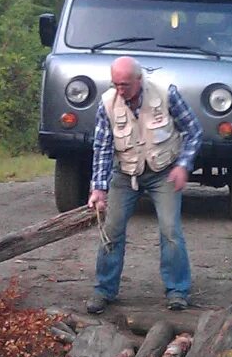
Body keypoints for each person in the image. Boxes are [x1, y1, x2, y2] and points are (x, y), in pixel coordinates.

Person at [85, 56, 202, 314]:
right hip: (125, 173)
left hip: (164, 172)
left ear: (140, 80)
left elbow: (194, 131)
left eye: (125, 84)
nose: (120, 90)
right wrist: (98, 189)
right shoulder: (107, 104)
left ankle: (177, 291)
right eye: (116, 84)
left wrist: (183, 165)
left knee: (170, 230)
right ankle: (104, 290)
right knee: (111, 230)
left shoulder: (166, 93)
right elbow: (102, 148)